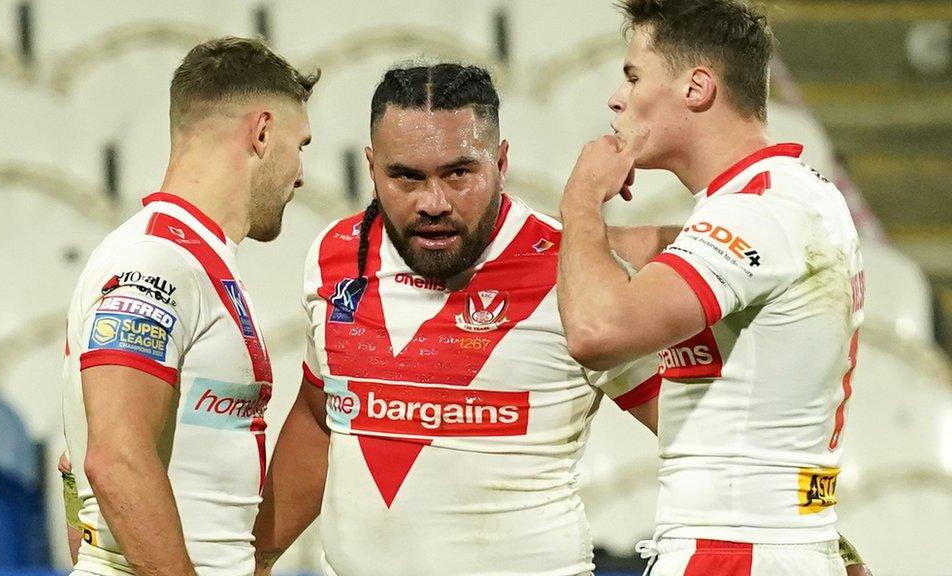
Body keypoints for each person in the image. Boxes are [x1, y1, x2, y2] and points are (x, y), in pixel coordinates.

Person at [254, 63, 671, 576]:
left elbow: (690, 434)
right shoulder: (335, 254)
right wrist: (260, 557)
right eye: (405, 176)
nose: (433, 203)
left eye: (458, 174)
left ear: (501, 161)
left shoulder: (572, 272)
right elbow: (323, 417)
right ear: (371, 168)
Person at [557, 1, 866, 574]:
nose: (616, 99)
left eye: (633, 76)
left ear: (696, 88)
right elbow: (651, 252)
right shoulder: (793, 198)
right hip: (784, 542)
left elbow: (597, 331)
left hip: (731, 554)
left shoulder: (757, 214)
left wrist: (581, 200)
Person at [61, 37, 316, 576]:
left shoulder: (188, 259)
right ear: (263, 133)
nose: (301, 174)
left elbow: (74, 465)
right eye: (302, 146)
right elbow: (113, 460)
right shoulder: (156, 263)